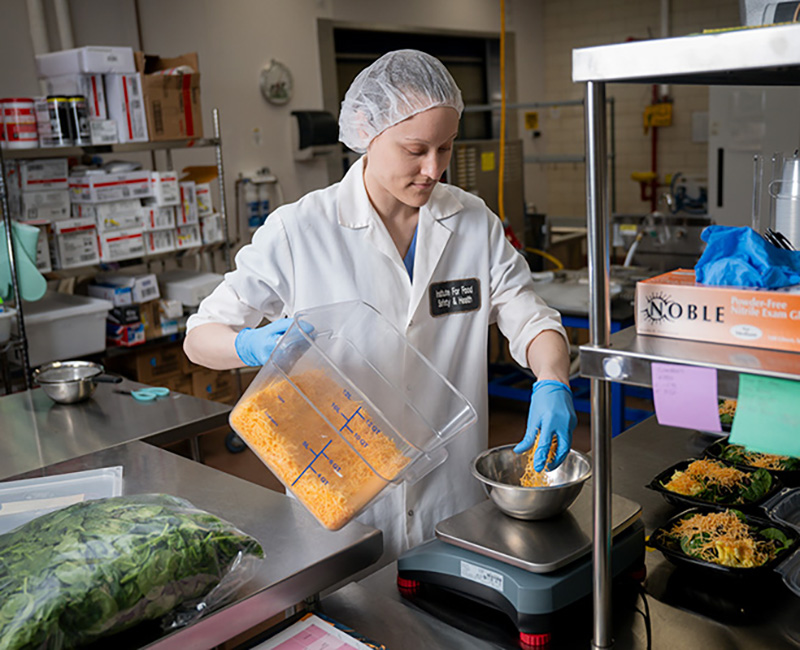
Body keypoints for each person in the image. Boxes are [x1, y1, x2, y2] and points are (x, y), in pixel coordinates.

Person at [184, 49, 576, 562]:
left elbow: (528, 315)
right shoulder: (301, 229)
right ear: (368, 132)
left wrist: (552, 380)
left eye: (446, 148)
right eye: (415, 149)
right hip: (339, 502)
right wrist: (247, 344)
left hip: (451, 498)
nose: (433, 169)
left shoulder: (473, 222)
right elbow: (199, 338)